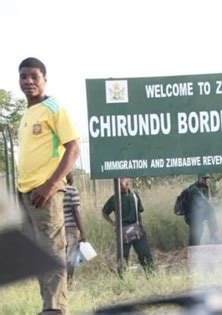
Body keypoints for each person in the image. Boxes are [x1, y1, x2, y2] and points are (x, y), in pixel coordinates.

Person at [17, 57, 80, 315]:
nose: (29, 81)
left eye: (34, 76)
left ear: (44, 79)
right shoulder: (27, 113)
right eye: (23, 76)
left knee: (52, 252)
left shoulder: (53, 107)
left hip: (46, 195)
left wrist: (50, 186)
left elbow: (74, 148)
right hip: (28, 194)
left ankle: (55, 310)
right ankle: (48, 307)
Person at [102, 178, 154, 272]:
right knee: (122, 257)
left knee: (145, 253)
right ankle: (121, 279)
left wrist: (140, 226)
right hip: (123, 231)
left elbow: (139, 212)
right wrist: (113, 223)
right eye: (119, 185)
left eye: (122, 184)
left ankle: (151, 275)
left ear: (127, 184)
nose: (121, 187)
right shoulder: (114, 198)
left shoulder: (134, 196)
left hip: (136, 228)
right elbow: (104, 212)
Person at [63, 173, 85, 286]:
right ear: (71, 179)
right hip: (71, 227)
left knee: (61, 255)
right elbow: (75, 211)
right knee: (72, 256)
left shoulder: (56, 190)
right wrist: (82, 231)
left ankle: (61, 282)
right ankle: (69, 282)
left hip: (59, 227)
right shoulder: (72, 190)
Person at [184, 173, 219, 246]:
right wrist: (208, 189)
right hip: (191, 216)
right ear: (199, 179)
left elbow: (207, 202)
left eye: (207, 179)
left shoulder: (201, 188)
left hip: (196, 214)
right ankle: (213, 237)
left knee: (197, 232)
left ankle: (212, 237)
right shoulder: (195, 190)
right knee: (210, 210)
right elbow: (208, 203)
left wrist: (207, 190)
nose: (206, 181)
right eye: (204, 179)